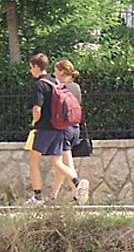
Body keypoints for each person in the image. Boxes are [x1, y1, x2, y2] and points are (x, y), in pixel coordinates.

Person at [26, 53, 89, 206]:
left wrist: (34, 122)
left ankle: (37, 197)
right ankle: (77, 183)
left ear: (36, 67)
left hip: (44, 128)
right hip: (59, 127)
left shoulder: (40, 84)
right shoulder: (55, 82)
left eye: (31, 67)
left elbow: (37, 109)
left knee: (33, 161)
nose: (30, 70)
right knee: (57, 161)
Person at [49, 59, 89, 204]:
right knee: (62, 166)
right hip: (75, 128)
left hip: (63, 129)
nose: (54, 73)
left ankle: (77, 192)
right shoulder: (76, 88)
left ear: (62, 72)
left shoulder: (60, 88)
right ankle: (52, 197)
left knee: (65, 164)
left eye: (55, 70)